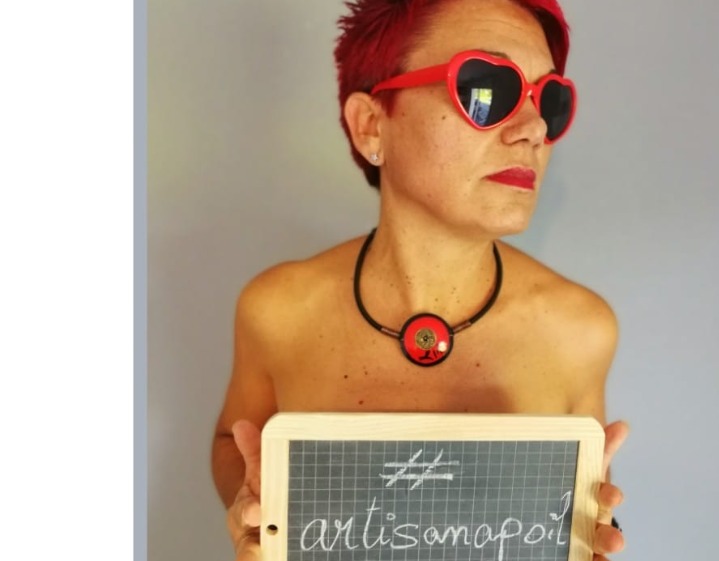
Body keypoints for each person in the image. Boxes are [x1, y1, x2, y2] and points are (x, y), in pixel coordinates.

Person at [211, 0, 629, 559]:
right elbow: (233, 443)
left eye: (549, 101)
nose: (534, 130)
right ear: (371, 125)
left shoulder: (581, 331)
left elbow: (575, 507)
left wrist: (587, 531)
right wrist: (252, 505)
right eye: (487, 90)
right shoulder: (277, 310)